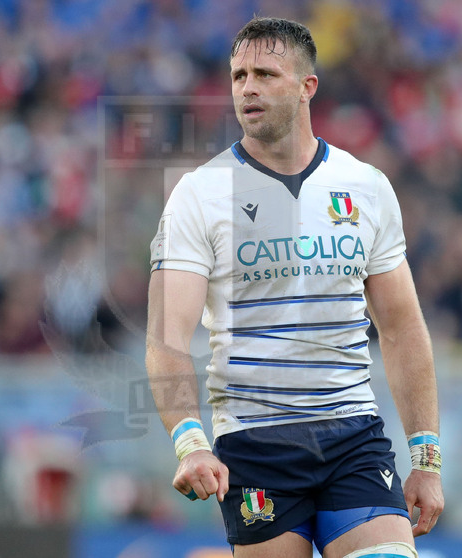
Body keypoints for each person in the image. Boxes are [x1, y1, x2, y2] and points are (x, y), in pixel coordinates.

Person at [145, 17, 444, 558]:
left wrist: (425, 458)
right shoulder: (199, 195)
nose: (247, 87)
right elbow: (166, 337)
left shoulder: (365, 187)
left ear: (308, 87)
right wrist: (189, 442)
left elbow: (401, 328)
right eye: (238, 76)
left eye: (265, 73)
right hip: (256, 444)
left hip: (352, 433)